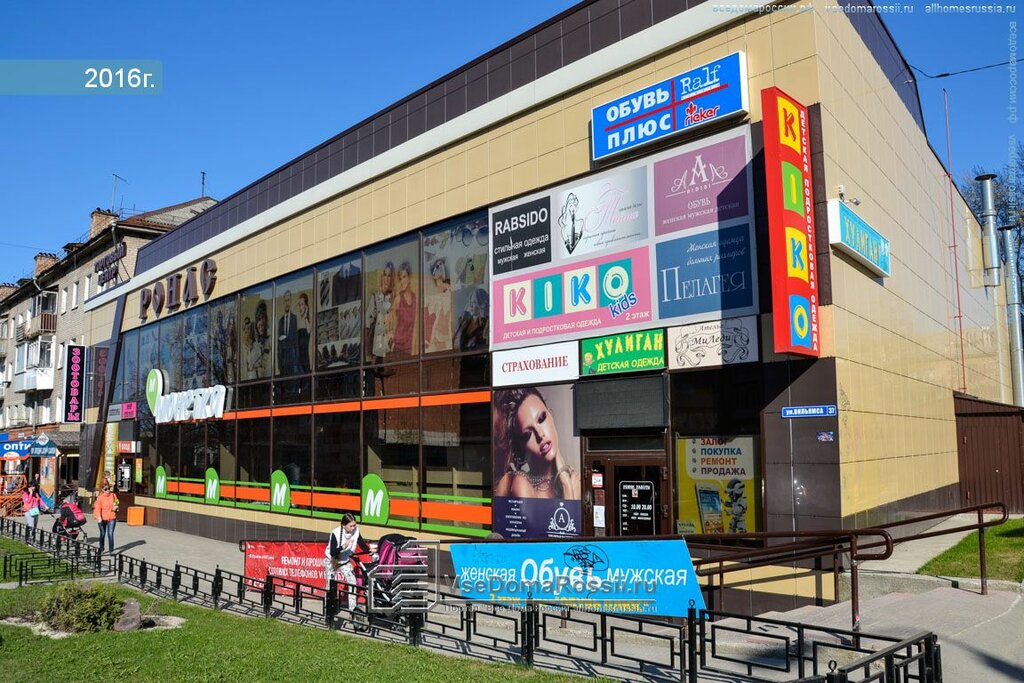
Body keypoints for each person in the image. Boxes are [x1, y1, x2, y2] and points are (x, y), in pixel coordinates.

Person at [493, 388, 580, 500]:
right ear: (521, 446)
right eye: (528, 434)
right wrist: (567, 486)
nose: (540, 434)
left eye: (541, 419)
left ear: (551, 415)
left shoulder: (574, 477)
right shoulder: (520, 483)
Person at [324, 513, 369, 611]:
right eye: (350, 526)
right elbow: (332, 552)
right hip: (332, 560)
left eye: (354, 525)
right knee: (330, 584)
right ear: (344, 525)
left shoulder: (356, 530)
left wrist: (369, 551)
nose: (353, 528)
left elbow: (361, 542)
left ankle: (352, 609)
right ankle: (329, 608)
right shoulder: (335, 533)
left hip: (345, 560)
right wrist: (343, 546)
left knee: (352, 582)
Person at [365, 261, 395, 362]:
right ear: (381, 277)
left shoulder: (394, 298)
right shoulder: (374, 298)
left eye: (389, 276)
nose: (387, 279)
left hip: (390, 349)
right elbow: (367, 326)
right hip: (377, 349)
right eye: (385, 275)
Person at [424, 258, 453, 353]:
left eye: (441, 265)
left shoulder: (448, 289)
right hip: (435, 334)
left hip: (446, 335)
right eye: (437, 266)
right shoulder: (431, 293)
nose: (439, 268)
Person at [277, 290, 300, 375]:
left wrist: (296, 360)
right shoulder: (281, 321)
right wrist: (279, 365)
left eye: (288, 300)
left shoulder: (294, 318)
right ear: (283, 302)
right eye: (285, 301)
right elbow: (279, 345)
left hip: (292, 360)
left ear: (291, 301)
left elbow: (296, 341)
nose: (287, 303)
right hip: (283, 362)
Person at [92, 483, 119, 553]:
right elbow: (97, 508)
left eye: (108, 489)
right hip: (102, 518)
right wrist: (98, 517)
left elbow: (117, 503)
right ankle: (101, 548)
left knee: (110, 534)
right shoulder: (100, 498)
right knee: (102, 533)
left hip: (111, 517)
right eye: (106, 489)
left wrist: (116, 507)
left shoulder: (113, 495)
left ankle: (111, 550)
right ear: (102, 490)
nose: (108, 490)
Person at [296, 292, 312, 374]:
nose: (300, 307)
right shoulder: (299, 320)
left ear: (306, 305)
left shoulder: (307, 319)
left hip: (304, 358)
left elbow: (309, 331)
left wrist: (306, 313)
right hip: (298, 357)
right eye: (300, 304)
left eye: (302, 304)